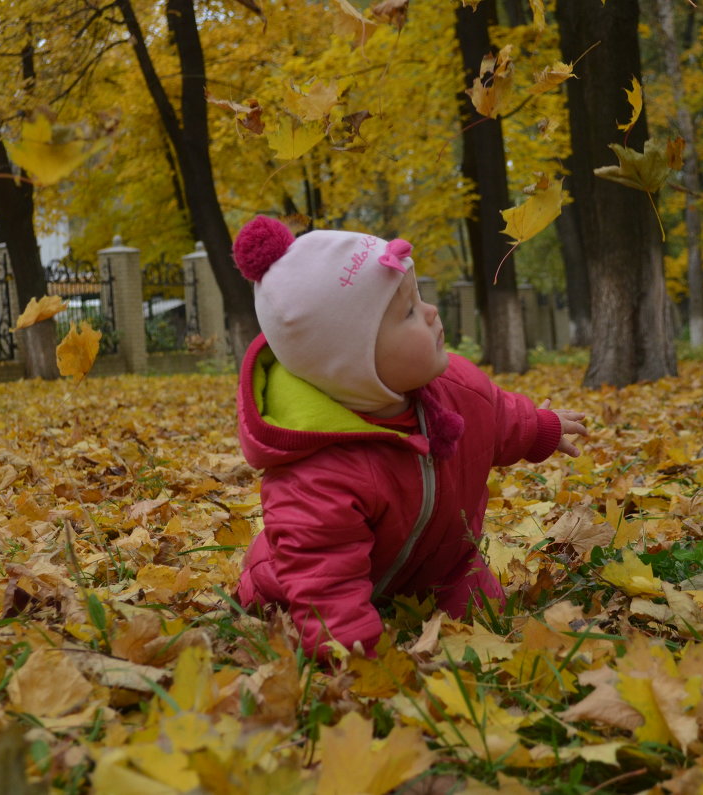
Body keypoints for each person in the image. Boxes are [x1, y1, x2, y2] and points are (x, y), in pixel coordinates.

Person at [231, 216, 586, 658]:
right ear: (351, 365)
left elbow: (496, 416)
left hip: (443, 569)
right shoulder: (315, 475)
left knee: (490, 626)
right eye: (408, 312)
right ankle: (262, 594)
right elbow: (326, 586)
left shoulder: (458, 388)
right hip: (300, 584)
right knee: (304, 605)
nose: (431, 312)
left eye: (419, 298)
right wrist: (361, 663)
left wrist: (541, 428)